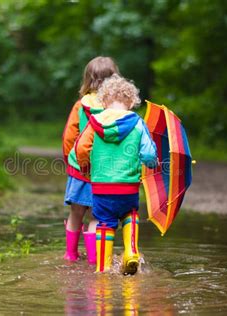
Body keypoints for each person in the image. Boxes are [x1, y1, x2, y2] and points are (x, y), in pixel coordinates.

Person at [75, 74, 157, 274]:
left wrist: (86, 167)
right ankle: (131, 251)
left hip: (102, 187)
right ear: (131, 102)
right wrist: (151, 163)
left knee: (105, 223)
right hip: (128, 186)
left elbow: (81, 149)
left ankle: (103, 267)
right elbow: (148, 154)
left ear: (103, 101)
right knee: (130, 214)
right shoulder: (137, 122)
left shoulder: (95, 122)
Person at [62, 56, 120, 264]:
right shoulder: (116, 110)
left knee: (76, 213)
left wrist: (71, 160)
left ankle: (71, 254)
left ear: (87, 80)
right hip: (104, 172)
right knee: (97, 216)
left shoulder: (80, 106)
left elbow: (69, 136)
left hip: (80, 169)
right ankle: (94, 260)